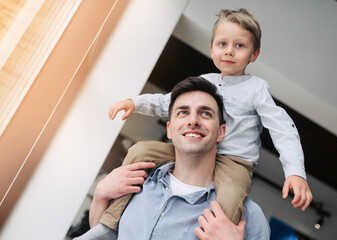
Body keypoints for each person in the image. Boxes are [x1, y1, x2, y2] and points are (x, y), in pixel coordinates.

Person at [103, 8, 313, 230]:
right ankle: (110, 223)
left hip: (234, 162)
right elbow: (168, 102)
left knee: (230, 199)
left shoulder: (256, 89)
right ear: (212, 48)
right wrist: (136, 102)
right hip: (195, 149)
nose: (229, 51)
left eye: (239, 46)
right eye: (223, 44)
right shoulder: (205, 82)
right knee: (139, 151)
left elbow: (283, 129)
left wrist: (295, 173)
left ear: (254, 54)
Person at [76, 77, 270, 240]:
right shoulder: (132, 181)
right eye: (183, 112)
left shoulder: (250, 217)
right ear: (169, 129)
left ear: (221, 132)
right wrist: (101, 196)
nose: (193, 120)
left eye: (206, 113)